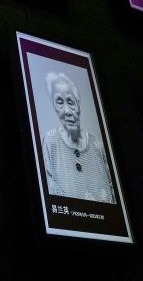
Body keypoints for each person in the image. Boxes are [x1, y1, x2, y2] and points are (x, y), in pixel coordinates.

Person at [41, 72, 114, 203]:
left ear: (79, 105)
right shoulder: (50, 142)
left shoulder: (98, 146)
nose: (67, 111)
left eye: (70, 102)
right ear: (54, 108)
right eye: (59, 103)